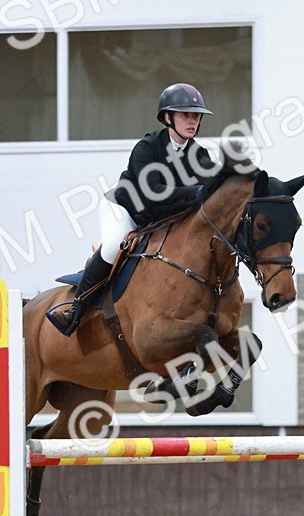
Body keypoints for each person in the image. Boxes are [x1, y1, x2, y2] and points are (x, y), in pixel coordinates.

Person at [48, 82, 218, 335]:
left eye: (196, 116)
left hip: (158, 221)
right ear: (168, 117)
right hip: (125, 210)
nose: (192, 121)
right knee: (116, 243)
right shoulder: (147, 148)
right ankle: (76, 307)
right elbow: (154, 195)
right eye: (185, 115)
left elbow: (214, 185)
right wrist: (196, 193)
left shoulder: (199, 155)